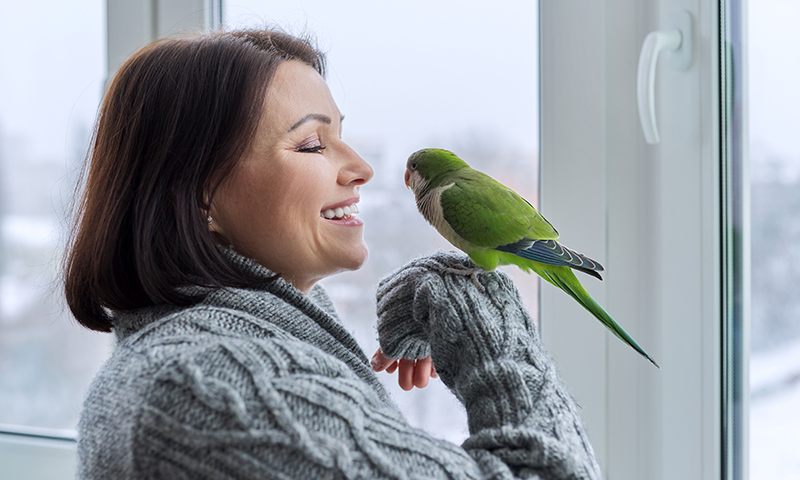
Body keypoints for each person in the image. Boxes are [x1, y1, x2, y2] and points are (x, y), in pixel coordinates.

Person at [64, 28, 603, 479]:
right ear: (200, 195)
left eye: (341, 134)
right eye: (311, 145)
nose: (362, 168)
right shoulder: (208, 386)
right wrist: (482, 316)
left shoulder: (212, 357)